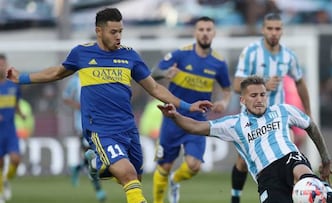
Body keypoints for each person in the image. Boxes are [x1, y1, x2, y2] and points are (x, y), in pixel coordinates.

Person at [6, 8, 211, 203]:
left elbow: (155, 88)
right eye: (113, 32)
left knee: (133, 178)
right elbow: (55, 73)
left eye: (121, 31)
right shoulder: (81, 54)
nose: (118, 36)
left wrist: (188, 106)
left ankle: (100, 163)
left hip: (128, 128)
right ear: (99, 31)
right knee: (129, 174)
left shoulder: (130, 56)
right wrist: (21, 77)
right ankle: (102, 159)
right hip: (100, 128)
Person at [158, 75, 332, 203]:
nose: (259, 99)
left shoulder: (282, 110)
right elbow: (196, 127)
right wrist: (175, 116)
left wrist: (325, 158)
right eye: (253, 96)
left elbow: (311, 126)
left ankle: (329, 196)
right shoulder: (234, 124)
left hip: (290, 159)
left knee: (307, 183)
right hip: (267, 176)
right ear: (243, 100)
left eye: (262, 95)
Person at [230, 12, 312, 203]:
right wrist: (263, 86)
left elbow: (300, 82)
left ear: (282, 30)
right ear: (263, 29)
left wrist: (308, 113)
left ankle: (290, 195)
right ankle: (235, 198)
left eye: (277, 29)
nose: (274, 33)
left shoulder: (289, 56)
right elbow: (236, 85)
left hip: (278, 117)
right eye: (270, 28)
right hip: (251, 118)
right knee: (242, 162)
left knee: (291, 152)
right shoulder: (251, 52)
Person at [152, 16, 232, 203]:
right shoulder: (180, 54)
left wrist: (224, 102)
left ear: (213, 33)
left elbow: (227, 89)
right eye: (201, 29)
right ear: (195, 32)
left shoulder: (218, 63)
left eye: (208, 30)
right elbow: (153, 74)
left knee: (194, 166)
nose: (205, 33)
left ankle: (176, 179)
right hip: (173, 118)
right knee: (164, 166)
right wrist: (165, 73)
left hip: (197, 121)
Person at [62, 73, 106, 202]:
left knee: (97, 156)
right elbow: (65, 97)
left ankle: (77, 167)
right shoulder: (75, 80)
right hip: (81, 124)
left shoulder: (97, 77)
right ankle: (99, 190)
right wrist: (78, 106)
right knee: (91, 156)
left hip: (98, 123)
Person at [0, 54, 24, 203]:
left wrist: (20, 113)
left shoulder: (13, 85)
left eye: (3, 64)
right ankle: (1, 193)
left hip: (10, 130)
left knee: (16, 159)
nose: (1, 67)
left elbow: (16, 102)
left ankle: (6, 180)